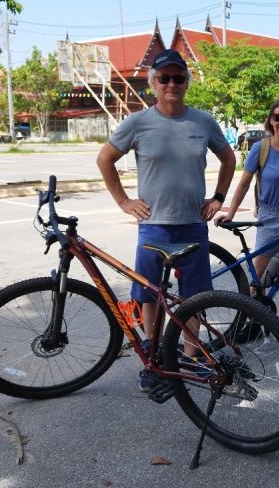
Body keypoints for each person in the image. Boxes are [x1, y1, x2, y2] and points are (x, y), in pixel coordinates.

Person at [96, 48, 236, 391]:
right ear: (153, 83)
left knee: (194, 297)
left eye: (177, 78)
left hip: (192, 223)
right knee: (148, 293)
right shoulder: (138, 123)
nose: (171, 83)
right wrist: (124, 201)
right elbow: (105, 159)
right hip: (154, 225)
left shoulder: (203, 121)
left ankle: (189, 355)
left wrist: (218, 198)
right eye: (164, 78)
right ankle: (158, 352)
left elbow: (229, 158)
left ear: (186, 82)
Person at [214, 99, 279, 328]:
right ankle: (246, 322)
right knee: (257, 276)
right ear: (270, 120)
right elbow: (243, 184)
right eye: (278, 117)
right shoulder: (261, 148)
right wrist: (230, 211)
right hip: (269, 217)